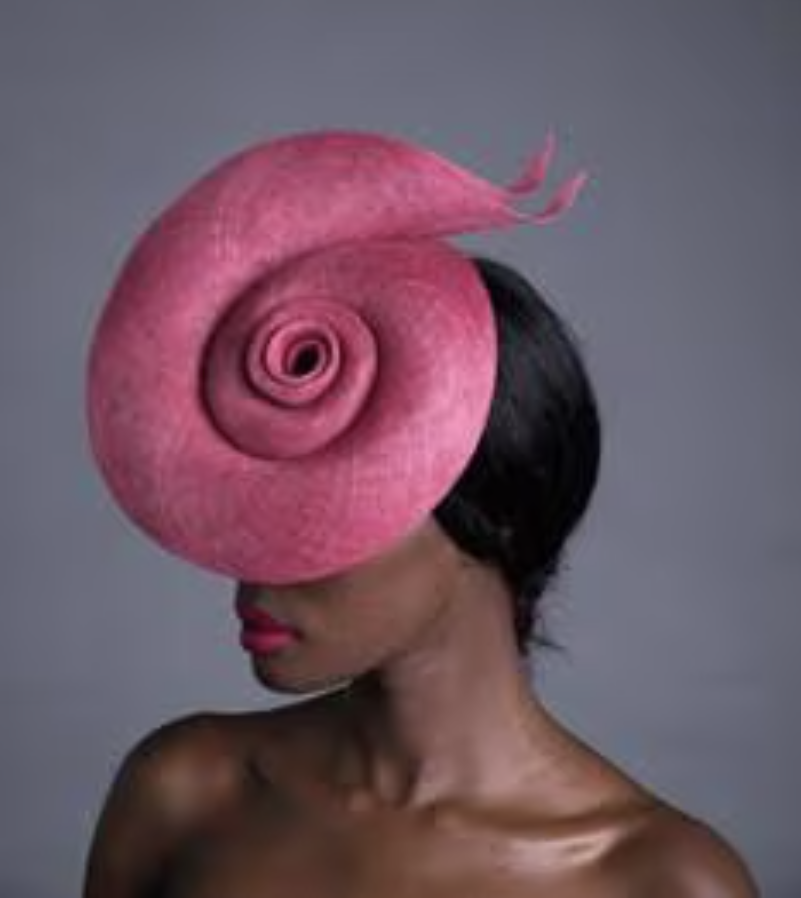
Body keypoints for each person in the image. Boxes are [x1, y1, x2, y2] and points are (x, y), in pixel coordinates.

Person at [82, 133, 758, 897]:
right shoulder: (183, 795)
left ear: (494, 515)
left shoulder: (662, 882)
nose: (254, 566)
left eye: (319, 511)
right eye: (250, 510)